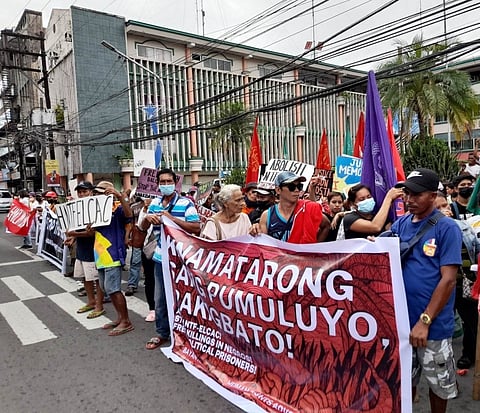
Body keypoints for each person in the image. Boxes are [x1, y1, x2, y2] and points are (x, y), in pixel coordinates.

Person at [392, 168, 462, 413]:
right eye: (406, 193)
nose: (408, 199)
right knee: (404, 383)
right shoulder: (400, 224)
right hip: (402, 324)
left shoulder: (447, 228)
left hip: (432, 326)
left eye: (416, 194)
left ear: (433, 196)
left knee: (438, 385)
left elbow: (448, 280)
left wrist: (425, 320)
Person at [139, 168, 201, 349]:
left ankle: (188, 333)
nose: (165, 185)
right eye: (162, 182)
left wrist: (170, 218)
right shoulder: (155, 203)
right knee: (161, 299)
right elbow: (142, 228)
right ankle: (162, 332)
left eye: (168, 181)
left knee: (185, 296)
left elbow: (196, 227)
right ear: (158, 184)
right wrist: (147, 218)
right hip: (160, 258)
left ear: (175, 183)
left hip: (182, 260)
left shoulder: (186, 204)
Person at [92, 181, 134, 336]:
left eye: (101, 192)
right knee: (105, 289)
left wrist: (120, 196)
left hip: (112, 254)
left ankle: (126, 321)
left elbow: (129, 215)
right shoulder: (94, 210)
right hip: (100, 254)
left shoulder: (117, 208)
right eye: (95, 192)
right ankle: (120, 318)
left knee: (114, 289)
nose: (96, 195)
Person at [250, 171, 330, 243]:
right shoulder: (267, 215)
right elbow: (265, 246)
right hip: (277, 258)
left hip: (302, 258)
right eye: (291, 187)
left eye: (299, 186)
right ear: (278, 190)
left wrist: (314, 248)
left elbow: (326, 225)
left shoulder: (306, 209)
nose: (297, 190)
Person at [64, 181, 105, 318]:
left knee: (97, 279)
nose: (82, 194)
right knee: (85, 278)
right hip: (81, 249)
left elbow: (92, 233)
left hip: (94, 249)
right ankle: (91, 301)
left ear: (91, 192)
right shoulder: (77, 209)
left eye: (84, 191)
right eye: (80, 192)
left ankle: (99, 305)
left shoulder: (96, 209)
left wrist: (73, 234)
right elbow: (77, 229)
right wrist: (73, 238)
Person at [125, 196, 145, 296]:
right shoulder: (134, 207)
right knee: (135, 261)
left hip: (152, 239)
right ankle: (132, 284)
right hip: (138, 238)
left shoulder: (157, 204)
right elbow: (130, 223)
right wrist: (128, 236)